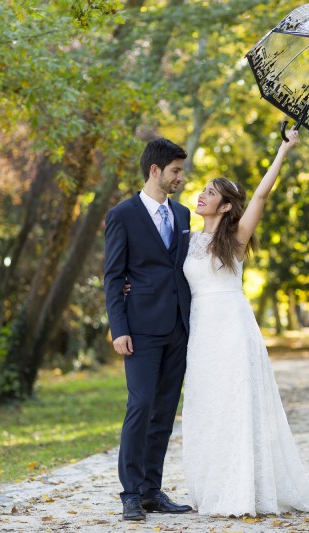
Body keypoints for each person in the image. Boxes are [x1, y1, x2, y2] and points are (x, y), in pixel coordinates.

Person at [180, 129, 309, 515]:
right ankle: (213, 487)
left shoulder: (236, 240)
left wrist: (284, 148)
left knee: (237, 406)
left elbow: (260, 195)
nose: (202, 195)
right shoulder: (188, 240)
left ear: (225, 207)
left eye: (211, 193)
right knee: (208, 407)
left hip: (233, 330)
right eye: (203, 190)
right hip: (202, 334)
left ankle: (243, 491)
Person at [103, 137, 195, 521]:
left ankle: (152, 491)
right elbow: (112, 276)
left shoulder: (185, 214)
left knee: (164, 411)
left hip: (179, 326)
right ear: (155, 170)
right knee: (140, 406)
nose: (181, 178)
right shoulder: (122, 215)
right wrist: (117, 327)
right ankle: (130, 492)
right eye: (176, 171)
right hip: (139, 328)